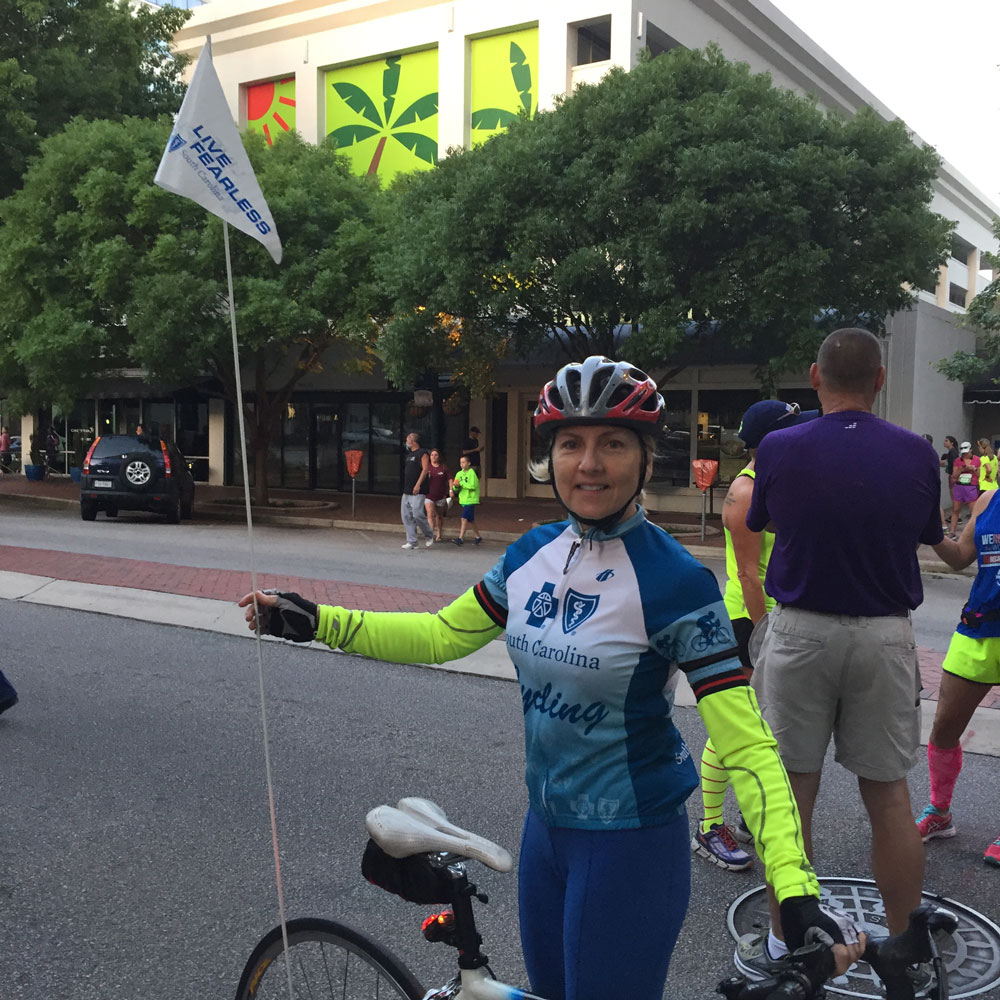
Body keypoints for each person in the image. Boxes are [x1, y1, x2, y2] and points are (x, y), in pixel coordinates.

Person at [239, 356, 864, 1000]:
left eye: (612, 444)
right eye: (572, 443)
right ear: (553, 457)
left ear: (645, 460)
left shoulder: (677, 584)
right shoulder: (530, 553)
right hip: (545, 833)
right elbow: (441, 634)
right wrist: (320, 622)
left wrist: (792, 884)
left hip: (630, 846)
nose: (589, 463)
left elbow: (745, 741)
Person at [739, 328, 941, 981]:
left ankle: (784, 940)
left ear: (814, 376)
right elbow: (926, 535)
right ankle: (906, 945)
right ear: (881, 380)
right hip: (884, 634)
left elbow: (761, 522)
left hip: (799, 632)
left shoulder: (779, 446)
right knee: (888, 797)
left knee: (790, 793)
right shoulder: (916, 454)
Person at [692, 399, 818, 874]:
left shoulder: (778, 482)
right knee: (735, 722)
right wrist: (765, 632)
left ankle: (745, 810)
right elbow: (747, 573)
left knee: (763, 721)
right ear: (767, 442)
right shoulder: (744, 493)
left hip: (773, 614)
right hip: (747, 618)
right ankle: (708, 825)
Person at [918, 490, 1000, 867]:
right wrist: (930, 529)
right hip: (978, 629)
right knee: (944, 728)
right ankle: (939, 812)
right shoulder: (987, 501)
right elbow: (959, 559)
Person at [400, 431, 434, 550]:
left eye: (407, 439)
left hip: (418, 489)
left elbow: (425, 469)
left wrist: (418, 484)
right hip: (407, 489)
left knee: (418, 514)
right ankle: (412, 541)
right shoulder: (409, 455)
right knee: (406, 516)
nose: (406, 441)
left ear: (413, 440)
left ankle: (429, 535)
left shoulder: (422, 453)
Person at [949, 442, 980, 539]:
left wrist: (974, 469)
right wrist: (964, 469)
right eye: (963, 452)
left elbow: (979, 475)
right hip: (959, 487)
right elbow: (954, 476)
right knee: (955, 509)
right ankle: (952, 531)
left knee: (974, 512)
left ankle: (974, 532)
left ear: (971, 450)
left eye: (966, 452)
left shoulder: (977, 460)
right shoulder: (958, 460)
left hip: (971, 487)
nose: (965, 454)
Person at [450, 454, 482, 546]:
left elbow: (473, 486)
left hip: (470, 499)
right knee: (471, 520)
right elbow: (456, 488)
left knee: (464, 518)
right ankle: (478, 536)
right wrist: (455, 487)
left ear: (469, 463)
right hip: (463, 499)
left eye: (464, 462)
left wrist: (462, 484)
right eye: (461, 462)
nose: (462, 464)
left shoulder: (472, 473)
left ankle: (460, 538)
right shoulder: (459, 474)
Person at [424, 448, 451, 542]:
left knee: (439, 516)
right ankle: (430, 534)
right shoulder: (426, 468)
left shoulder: (443, 468)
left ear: (439, 457)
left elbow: (450, 479)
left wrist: (451, 490)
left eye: (436, 455)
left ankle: (439, 533)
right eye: (432, 455)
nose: (434, 457)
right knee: (430, 515)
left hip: (440, 495)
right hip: (429, 495)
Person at [940, 435, 959, 530]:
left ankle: (956, 516)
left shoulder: (953, 452)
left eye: (946, 440)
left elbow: (953, 464)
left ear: (951, 442)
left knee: (954, 497)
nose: (944, 442)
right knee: (954, 497)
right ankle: (955, 515)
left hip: (953, 476)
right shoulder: (952, 452)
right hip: (952, 475)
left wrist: (953, 476)